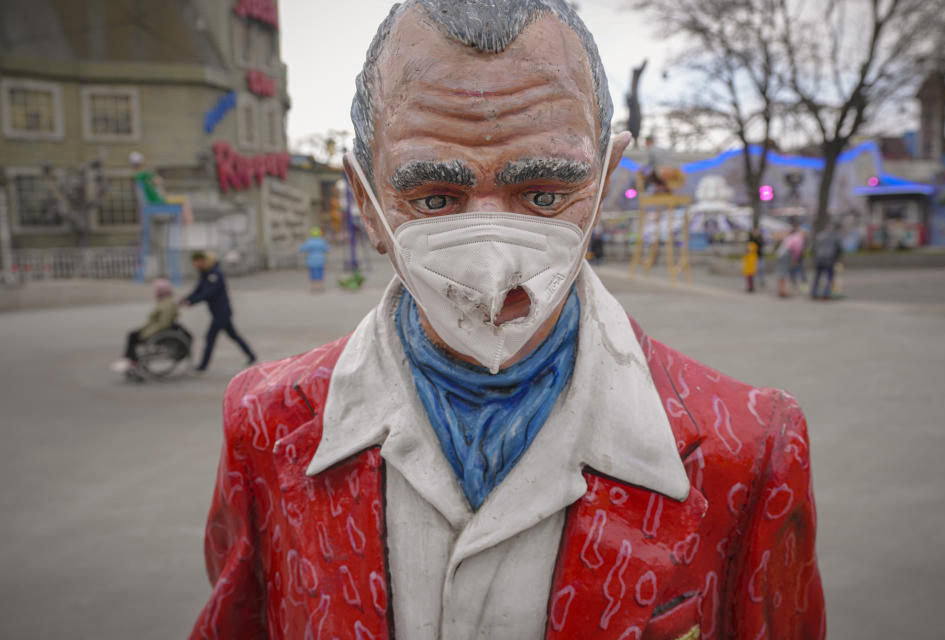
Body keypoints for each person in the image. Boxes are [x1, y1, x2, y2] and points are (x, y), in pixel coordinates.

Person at [191, 3, 823, 639]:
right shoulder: (265, 427)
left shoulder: (746, 449)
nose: (493, 269)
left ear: (602, 184)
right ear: (365, 197)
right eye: (435, 199)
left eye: (544, 196)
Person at [180, 250, 255, 373]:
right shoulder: (206, 273)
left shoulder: (214, 274)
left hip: (221, 312)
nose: (194, 264)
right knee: (233, 335)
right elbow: (198, 289)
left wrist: (191, 302)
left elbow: (208, 293)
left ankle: (203, 366)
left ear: (203, 261)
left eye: (196, 262)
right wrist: (186, 299)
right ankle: (251, 355)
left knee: (210, 338)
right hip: (217, 312)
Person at [111, 277, 178, 373]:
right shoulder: (165, 302)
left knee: (133, 336)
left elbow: (164, 323)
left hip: (157, 331)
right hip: (153, 328)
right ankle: (130, 359)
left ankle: (131, 360)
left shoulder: (168, 304)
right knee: (132, 334)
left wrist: (146, 332)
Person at [129, 151, 194, 223]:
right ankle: (189, 223)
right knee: (183, 200)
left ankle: (183, 222)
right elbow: (159, 181)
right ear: (142, 162)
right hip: (156, 201)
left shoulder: (136, 176)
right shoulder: (146, 174)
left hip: (149, 202)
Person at [811, 223, 843, 300]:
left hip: (819, 258)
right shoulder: (835, 236)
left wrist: (815, 257)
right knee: (829, 276)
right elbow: (839, 248)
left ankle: (814, 292)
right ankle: (826, 293)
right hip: (829, 258)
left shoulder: (820, 235)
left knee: (818, 276)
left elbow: (814, 247)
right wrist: (838, 258)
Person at [298, 227, 331, 292]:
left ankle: (314, 287)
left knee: (313, 274)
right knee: (320, 274)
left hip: (311, 261)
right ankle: (321, 287)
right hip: (320, 260)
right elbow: (328, 249)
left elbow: (302, 249)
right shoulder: (321, 241)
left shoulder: (309, 241)